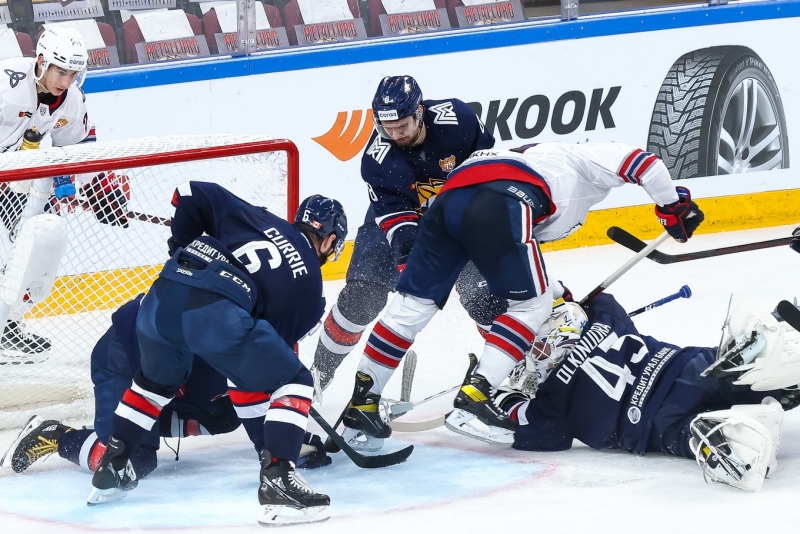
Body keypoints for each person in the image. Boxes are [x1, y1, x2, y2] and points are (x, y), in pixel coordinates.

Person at [340, 141, 705, 445]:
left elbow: (504, 257)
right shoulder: (582, 157)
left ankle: (363, 403)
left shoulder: (531, 158)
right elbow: (645, 163)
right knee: (530, 306)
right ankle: (478, 395)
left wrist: (558, 291)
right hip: (503, 196)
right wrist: (673, 206)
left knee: (411, 306)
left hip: (448, 201)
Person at [86, 182, 347, 527]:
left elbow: (189, 192)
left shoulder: (257, 216)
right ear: (329, 241)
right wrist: (273, 446)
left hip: (160, 300)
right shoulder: (309, 291)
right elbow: (251, 380)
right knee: (296, 380)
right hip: (211, 314)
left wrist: (181, 243)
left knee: (152, 385)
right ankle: (280, 481)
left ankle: (114, 464)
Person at [310, 75, 507, 395]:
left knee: (487, 298)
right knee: (363, 294)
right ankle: (319, 375)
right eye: (388, 127)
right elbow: (398, 224)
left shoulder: (458, 120)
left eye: (401, 125)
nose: (395, 134)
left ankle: (506, 371)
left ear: (419, 112)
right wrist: (414, 266)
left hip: (461, 220)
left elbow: (492, 169)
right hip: (399, 226)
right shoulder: (377, 159)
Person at [489, 293, 800, 492]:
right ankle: (774, 361)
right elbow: (591, 299)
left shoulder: (552, 403)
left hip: (653, 425)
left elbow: (528, 427)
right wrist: (574, 299)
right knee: (744, 366)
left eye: (534, 349)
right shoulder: (604, 316)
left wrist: (495, 394)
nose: (534, 357)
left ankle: (731, 436)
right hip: (688, 368)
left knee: (696, 435)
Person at [1, 295, 331, 477]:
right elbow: (258, 412)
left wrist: (291, 438)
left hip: (171, 374)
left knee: (225, 415)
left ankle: (143, 428)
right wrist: (285, 450)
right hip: (124, 358)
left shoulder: (258, 322)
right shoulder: (239, 331)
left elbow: (260, 399)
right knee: (132, 462)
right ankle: (56, 435)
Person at [0, 26, 97, 360]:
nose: (66, 81)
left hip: (13, 180)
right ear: (41, 62)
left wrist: (94, 187)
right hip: (8, 172)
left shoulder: (71, 100)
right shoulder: (6, 84)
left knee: (31, 246)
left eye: (73, 73)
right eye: (60, 71)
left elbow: (79, 148)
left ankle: (7, 325)